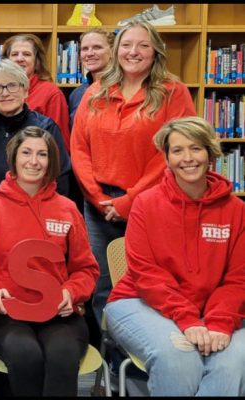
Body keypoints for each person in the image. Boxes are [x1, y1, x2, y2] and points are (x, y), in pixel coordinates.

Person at [105, 117, 245, 396]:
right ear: (166, 158)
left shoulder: (236, 210)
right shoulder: (146, 203)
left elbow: (238, 278)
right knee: (179, 357)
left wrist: (219, 322)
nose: (187, 158)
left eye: (195, 148)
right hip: (139, 300)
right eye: (177, 150)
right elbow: (146, 275)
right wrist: (188, 319)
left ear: (210, 154)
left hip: (214, 309)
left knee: (232, 362)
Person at [70, 21, 196, 323]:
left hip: (155, 203)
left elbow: (173, 151)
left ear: (155, 51)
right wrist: (99, 198)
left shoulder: (172, 92)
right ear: (116, 51)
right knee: (102, 285)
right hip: (99, 206)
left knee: (152, 282)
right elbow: (79, 148)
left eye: (143, 45)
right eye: (126, 45)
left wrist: (128, 201)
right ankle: (114, 360)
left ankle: (145, 355)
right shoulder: (96, 92)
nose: (133, 52)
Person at [0, 126, 99, 396]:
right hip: (2, 316)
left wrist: (70, 292)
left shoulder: (67, 209)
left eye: (42, 154)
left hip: (59, 315)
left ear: (51, 160)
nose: (34, 161)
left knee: (62, 356)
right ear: (13, 158)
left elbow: (85, 269)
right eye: (26, 152)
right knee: (25, 354)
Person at [0, 60, 71, 228]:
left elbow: (60, 178)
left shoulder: (45, 128)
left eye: (12, 85)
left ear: (25, 91)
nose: (5, 93)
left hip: (37, 223)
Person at [0, 34, 71, 149]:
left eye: (26, 54)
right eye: (14, 54)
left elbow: (59, 144)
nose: (20, 59)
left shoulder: (51, 93)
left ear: (37, 61)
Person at [69, 28, 114, 130]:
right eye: (84, 49)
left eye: (97, 47)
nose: (89, 53)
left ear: (112, 51)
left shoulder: (124, 89)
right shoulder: (77, 94)